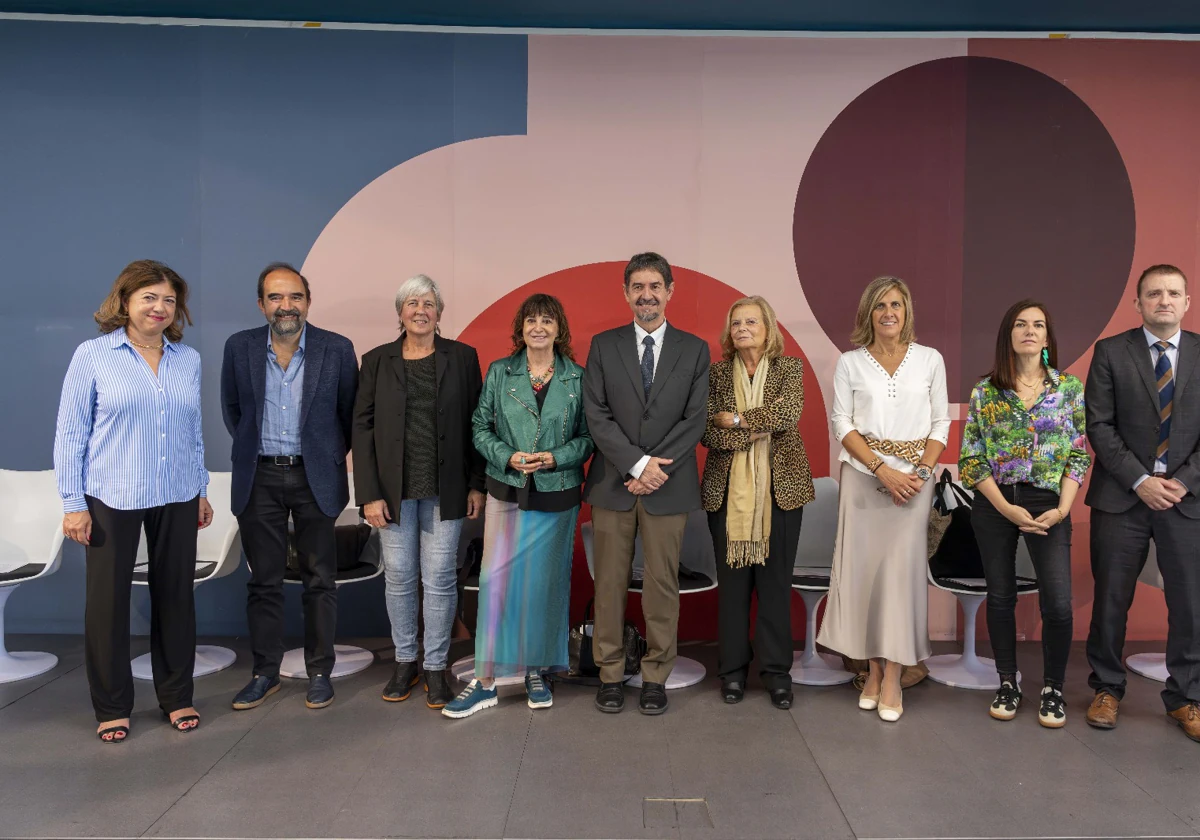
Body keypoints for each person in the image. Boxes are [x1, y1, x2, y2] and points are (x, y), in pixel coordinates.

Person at [54, 259, 212, 743]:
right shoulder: (93, 355)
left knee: (176, 599)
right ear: (124, 301)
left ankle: (176, 696)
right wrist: (72, 502)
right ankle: (112, 705)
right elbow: (71, 432)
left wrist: (201, 488)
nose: (160, 308)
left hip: (178, 493)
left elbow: (192, 430)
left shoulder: (189, 359)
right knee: (107, 604)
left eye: (168, 300)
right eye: (149, 297)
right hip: (111, 495)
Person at [443, 294, 594, 717]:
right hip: (507, 488)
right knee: (496, 583)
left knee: (544, 587)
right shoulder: (499, 372)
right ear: (521, 329)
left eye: (547, 320)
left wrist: (557, 457)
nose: (539, 328)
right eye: (531, 321)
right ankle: (486, 681)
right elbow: (479, 426)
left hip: (558, 492)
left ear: (559, 329)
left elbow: (588, 436)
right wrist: (506, 455)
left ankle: (535, 671)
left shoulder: (577, 378)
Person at [222, 262, 358, 711]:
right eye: (276, 297)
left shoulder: (337, 349)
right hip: (258, 476)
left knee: (321, 580)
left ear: (307, 302)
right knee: (264, 582)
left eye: (295, 297)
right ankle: (265, 673)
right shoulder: (239, 347)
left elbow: (349, 416)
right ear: (261, 304)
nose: (287, 305)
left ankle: (321, 671)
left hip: (314, 476)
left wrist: (323, 456)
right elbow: (234, 411)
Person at [582, 252, 710, 716]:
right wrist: (637, 466)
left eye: (655, 286)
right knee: (610, 584)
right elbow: (596, 414)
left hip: (668, 487)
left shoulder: (695, 349)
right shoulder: (603, 344)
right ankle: (611, 672)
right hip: (614, 484)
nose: (647, 295)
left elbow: (694, 419)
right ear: (626, 293)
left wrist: (656, 471)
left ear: (670, 291)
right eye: (638, 287)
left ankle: (656, 674)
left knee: (661, 585)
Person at [817, 276, 950, 722]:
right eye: (880, 306)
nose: (889, 312)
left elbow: (939, 424)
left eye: (896, 304)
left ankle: (895, 675)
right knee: (866, 580)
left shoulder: (930, 360)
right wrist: (881, 469)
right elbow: (841, 421)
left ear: (907, 310)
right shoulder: (850, 362)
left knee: (900, 580)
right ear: (867, 314)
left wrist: (921, 474)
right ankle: (872, 672)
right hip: (863, 479)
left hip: (915, 484)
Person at [353, 274, 486, 710]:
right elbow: (363, 428)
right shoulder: (375, 361)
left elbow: (476, 424)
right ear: (400, 312)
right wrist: (368, 494)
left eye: (428, 303)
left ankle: (435, 666)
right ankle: (405, 661)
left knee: (441, 580)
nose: (420, 310)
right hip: (392, 494)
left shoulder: (463, 357)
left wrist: (475, 484)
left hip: (445, 491)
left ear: (439, 312)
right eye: (412, 303)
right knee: (399, 579)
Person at [959, 300, 1089, 728]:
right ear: (1008, 335)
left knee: (1059, 603)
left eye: (1038, 325)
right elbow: (972, 460)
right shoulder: (986, 390)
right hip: (997, 503)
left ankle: (1052, 689)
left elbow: (1077, 455)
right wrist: (1005, 508)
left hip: (1050, 504)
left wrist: (1064, 508)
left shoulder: (1068, 389)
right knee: (1001, 596)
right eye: (1020, 324)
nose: (1029, 331)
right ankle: (1007, 682)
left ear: (1048, 337)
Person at [1085, 264, 1200, 742]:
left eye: (1174, 293)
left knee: (1191, 605)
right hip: (1122, 497)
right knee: (1112, 599)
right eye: (1154, 294)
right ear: (1138, 303)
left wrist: (1181, 482)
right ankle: (1107, 688)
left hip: (1186, 499)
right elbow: (1099, 426)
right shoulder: (1111, 352)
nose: (1164, 301)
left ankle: (1186, 698)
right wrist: (1139, 480)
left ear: (1187, 301)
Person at [701, 296, 814, 710]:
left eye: (751, 321)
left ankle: (776, 675)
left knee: (774, 589)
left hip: (782, 494)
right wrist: (744, 427)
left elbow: (789, 413)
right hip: (725, 494)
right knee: (732, 592)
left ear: (769, 328)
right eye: (736, 322)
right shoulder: (715, 375)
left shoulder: (790, 368)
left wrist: (735, 418)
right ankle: (731, 673)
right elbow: (707, 429)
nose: (743, 328)